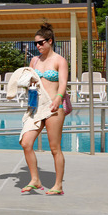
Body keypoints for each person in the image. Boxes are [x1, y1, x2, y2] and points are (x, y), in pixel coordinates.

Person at [20, 23, 69, 195]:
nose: (38, 46)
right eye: (36, 43)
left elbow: (63, 83)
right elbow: (29, 80)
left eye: (40, 43)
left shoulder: (59, 60)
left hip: (54, 107)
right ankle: (35, 179)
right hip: (37, 106)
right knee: (26, 142)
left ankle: (58, 185)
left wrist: (58, 99)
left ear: (50, 41)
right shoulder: (34, 60)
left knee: (54, 148)